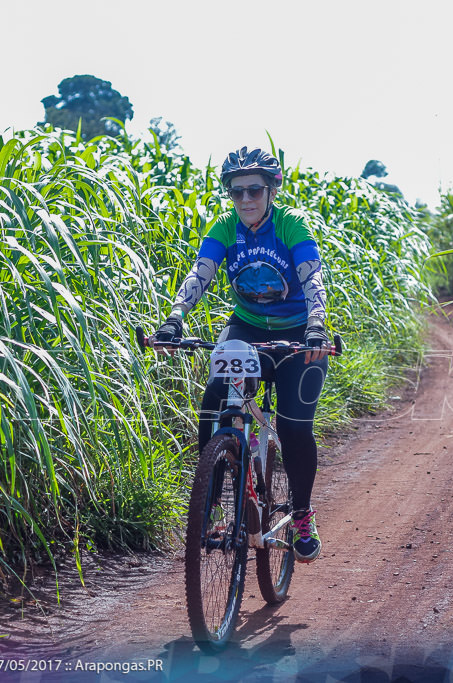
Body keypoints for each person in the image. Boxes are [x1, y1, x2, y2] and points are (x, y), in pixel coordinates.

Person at [150, 146, 330, 563]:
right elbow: (201, 272)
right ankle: (209, 500)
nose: (245, 200)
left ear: (271, 190)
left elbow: (312, 276)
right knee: (214, 397)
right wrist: (175, 317)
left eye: (254, 190)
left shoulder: (290, 225)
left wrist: (318, 325)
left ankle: (302, 514)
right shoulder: (226, 227)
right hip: (247, 327)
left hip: (300, 333)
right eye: (236, 193)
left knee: (294, 427)